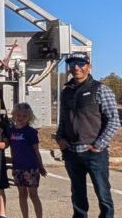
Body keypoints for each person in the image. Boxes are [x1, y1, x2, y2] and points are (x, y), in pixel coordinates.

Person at [56, 52, 120, 218]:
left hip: (94, 154)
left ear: (89, 66)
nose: (75, 67)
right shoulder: (66, 92)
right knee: (77, 196)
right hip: (72, 152)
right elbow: (63, 119)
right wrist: (60, 138)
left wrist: (99, 145)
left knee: (103, 195)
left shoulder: (100, 90)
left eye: (80, 63)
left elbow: (114, 121)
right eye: (71, 64)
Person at [8, 102, 46, 218]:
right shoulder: (11, 131)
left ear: (29, 117)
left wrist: (41, 166)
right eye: (18, 115)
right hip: (18, 166)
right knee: (22, 194)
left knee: (33, 194)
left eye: (24, 116)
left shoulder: (31, 132)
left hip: (31, 167)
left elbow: (36, 151)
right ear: (14, 115)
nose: (21, 118)